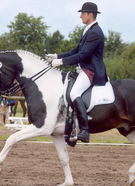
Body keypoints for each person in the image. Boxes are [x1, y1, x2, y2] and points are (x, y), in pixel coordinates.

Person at [45, 2, 108, 143]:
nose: (80, 16)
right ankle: (71, 128)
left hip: (91, 70)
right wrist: (56, 56)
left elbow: (83, 55)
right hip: (83, 69)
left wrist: (61, 63)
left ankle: (85, 131)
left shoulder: (95, 33)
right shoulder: (88, 30)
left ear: (90, 15)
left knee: (74, 93)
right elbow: (75, 51)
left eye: (83, 14)